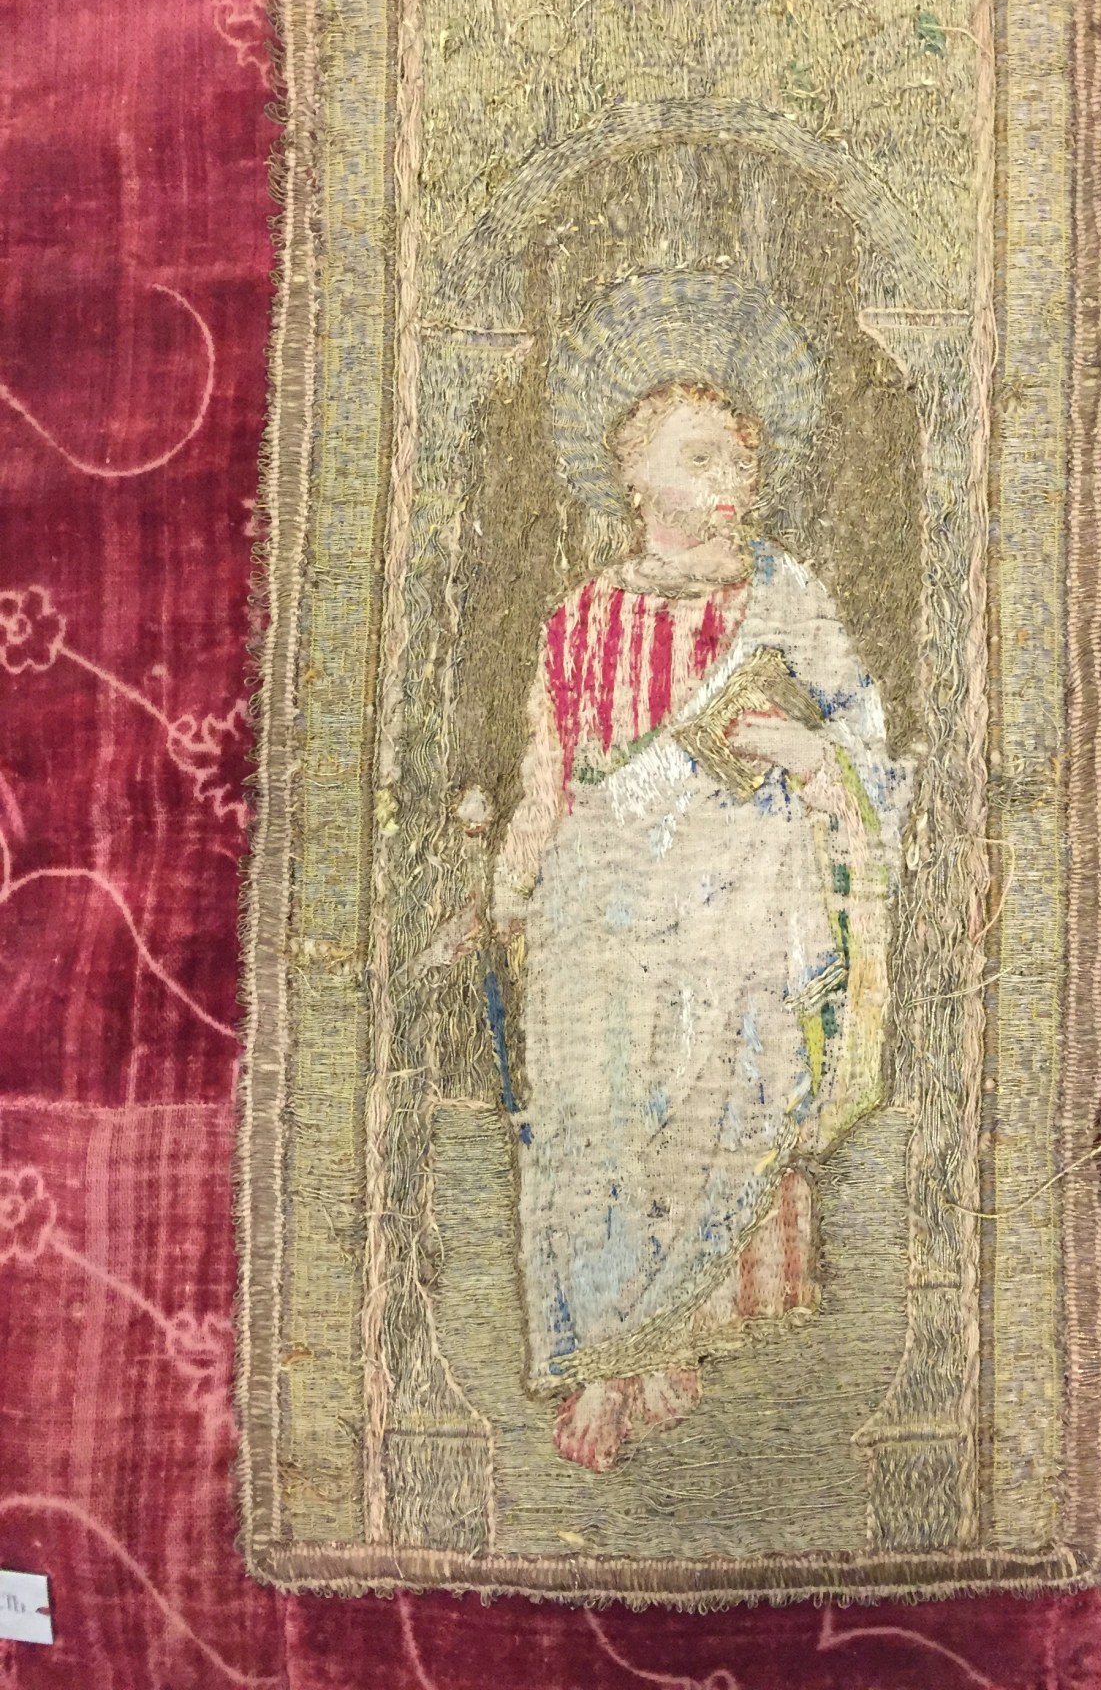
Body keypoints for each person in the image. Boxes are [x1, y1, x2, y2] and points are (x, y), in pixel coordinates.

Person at [442, 287, 908, 1471]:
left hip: (742, 907)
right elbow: (550, 774)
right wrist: (509, 891)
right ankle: (612, 1355)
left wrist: (808, 752)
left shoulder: (787, 600)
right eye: (701, 455)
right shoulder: (579, 616)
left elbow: (864, 745)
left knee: (709, 1115)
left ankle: (638, 1351)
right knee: (590, 1125)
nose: (729, 476)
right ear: (635, 472)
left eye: (739, 456)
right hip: (598, 901)